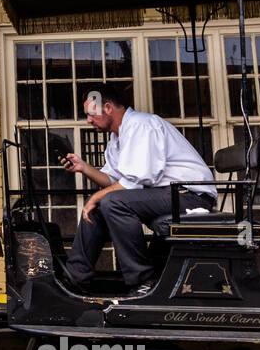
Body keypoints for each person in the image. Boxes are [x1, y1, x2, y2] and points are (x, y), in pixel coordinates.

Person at [58, 84, 217, 297]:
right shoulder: (116, 140)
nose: (88, 120)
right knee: (100, 205)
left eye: (90, 114)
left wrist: (97, 197)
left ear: (107, 108)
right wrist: (83, 167)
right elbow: (112, 181)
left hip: (190, 196)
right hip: (166, 194)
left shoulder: (141, 125)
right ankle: (75, 278)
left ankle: (143, 281)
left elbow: (135, 182)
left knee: (112, 202)